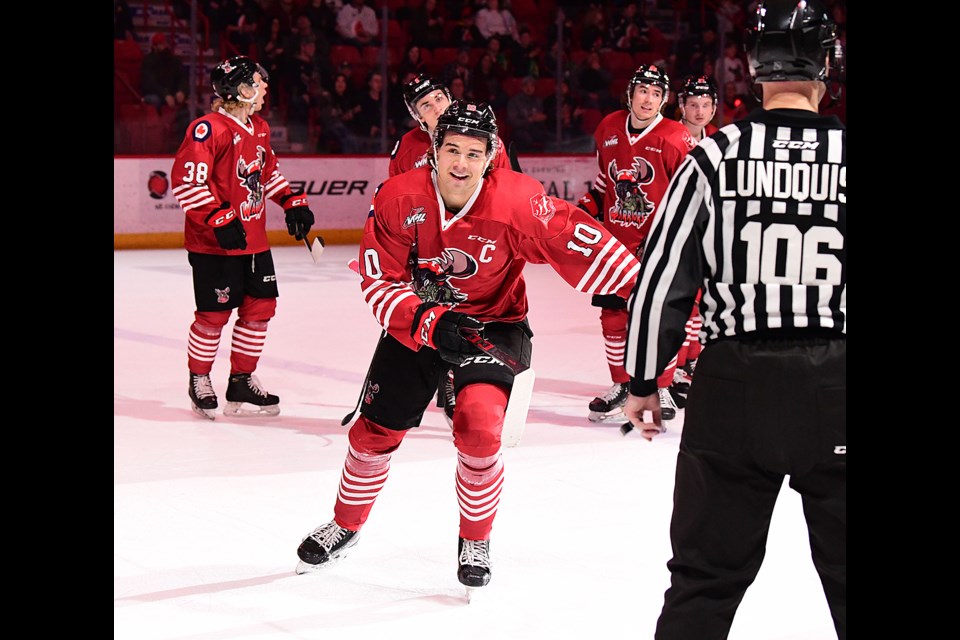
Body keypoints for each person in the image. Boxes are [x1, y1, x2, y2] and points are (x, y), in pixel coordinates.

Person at [295, 100, 642, 591]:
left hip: (494, 325)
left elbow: (580, 242)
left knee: (479, 430)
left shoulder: (518, 201)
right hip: (418, 322)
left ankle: (474, 538)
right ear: (434, 151)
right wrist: (430, 323)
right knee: (373, 432)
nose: (460, 164)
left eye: (473, 153)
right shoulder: (397, 197)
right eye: (451, 149)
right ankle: (345, 526)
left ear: (491, 156)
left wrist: (651, 291)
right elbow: (378, 284)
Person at [622, 2, 846, 637]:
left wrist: (642, 380)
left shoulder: (716, 154)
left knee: (704, 580)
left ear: (753, 67)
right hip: (838, 383)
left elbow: (664, 276)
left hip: (733, 386)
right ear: (826, 65)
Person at [171, 56, 315, 420]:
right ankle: (199, 378)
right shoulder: (208, 128)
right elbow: (187, 182)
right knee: (213, 314)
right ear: (242, 89)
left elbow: (266, 175)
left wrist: (291, 202)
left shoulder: (260, 128)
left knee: (260, 310)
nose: (265, 86)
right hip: (213, 244)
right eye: (258, 81)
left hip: (254, 242)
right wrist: (217, 217)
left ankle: (241, 380)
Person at [386, 74, 511, 426]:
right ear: (417, 116)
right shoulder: (407, 149)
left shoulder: (485, 137)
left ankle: (464, 382)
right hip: (426, 246)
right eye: (426, 105)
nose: (437, 107)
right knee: (430, 315)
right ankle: (433, 381)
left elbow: (503, 188)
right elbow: (394, 199)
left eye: (439, 97)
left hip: (472, 244)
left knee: (470, 314)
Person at [575, 64, 694, 426]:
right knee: (613, 317)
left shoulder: (675, 137)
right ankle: (622, 384)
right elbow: (602, 185)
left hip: (657, 248)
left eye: (657, 94)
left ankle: (660, 385)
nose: (648, 99)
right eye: (643, 90)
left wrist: (666, 240)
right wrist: (584, 210)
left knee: (659, 319)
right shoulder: (608, 128)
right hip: (616, 245)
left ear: (665, 101)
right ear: (630, 94)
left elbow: (688, 198)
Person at [666, 73, 721, 405]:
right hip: (676, 233)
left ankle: (690, 362)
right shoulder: (670, 139)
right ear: (681, 107)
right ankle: (673, 368)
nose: (699, 111)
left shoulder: (722, 142)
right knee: (679, 302)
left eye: (705, 105)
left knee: (701, 302)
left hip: (708, 232)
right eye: (692, 104)